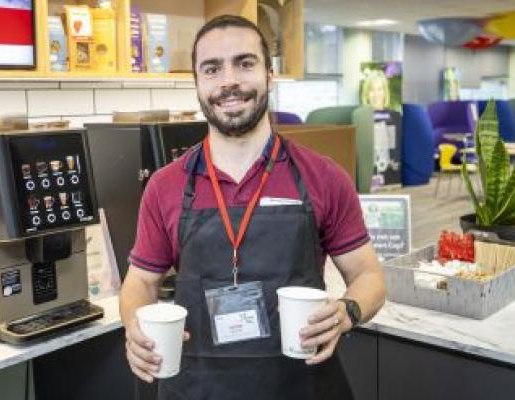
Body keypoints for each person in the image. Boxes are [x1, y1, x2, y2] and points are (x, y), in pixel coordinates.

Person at [119, 15, 385, 400]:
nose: (229, 81)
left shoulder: (324, 176)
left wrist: (348, 312)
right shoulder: (165, 185)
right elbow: (140, 282)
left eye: (244, 63)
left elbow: (369, 275)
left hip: (302, 384)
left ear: (269, 74)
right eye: (212, 68)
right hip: (197, 387)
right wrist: (134, 326)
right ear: (196, 83)